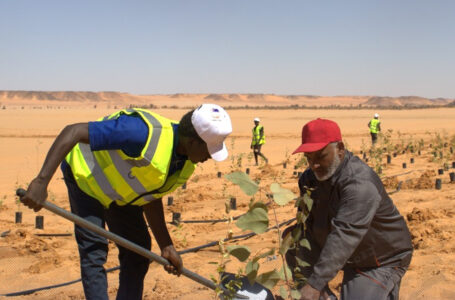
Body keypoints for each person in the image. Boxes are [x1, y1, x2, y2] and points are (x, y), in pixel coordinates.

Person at [19, 104, 232, 300]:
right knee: (94, 250)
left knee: (138, 251)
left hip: (122, 192)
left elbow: (151, 195)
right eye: (209, 150)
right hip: (86, 180)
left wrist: (166, 246)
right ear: (192, 141)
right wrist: (41, 182)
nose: (210, 157)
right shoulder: (141, 132)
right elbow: (73, 131)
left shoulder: (185, 162)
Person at [285, 118, 413, 300]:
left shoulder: (359, 184)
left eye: (321, 156)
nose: (314, 165)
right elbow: (306, 226)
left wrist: (314, 284)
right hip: (344, 250)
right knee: (293, 238)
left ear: (340, 149)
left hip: (379, 258)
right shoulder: (309, 180)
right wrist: (312, 283)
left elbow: (345, 234)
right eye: (309, 158)